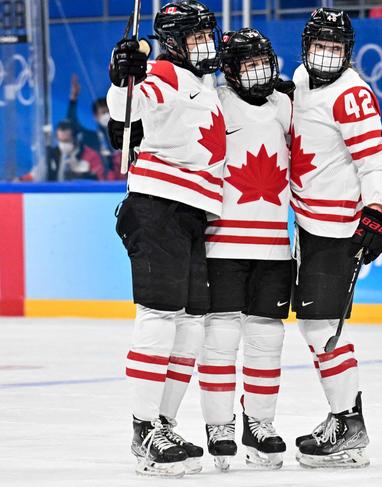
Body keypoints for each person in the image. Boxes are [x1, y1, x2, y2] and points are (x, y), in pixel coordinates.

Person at [106, 0, 224, 477]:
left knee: (192, 323)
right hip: (158, 207)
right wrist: (121, 77)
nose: (206, 46)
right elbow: (129, 104)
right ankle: (143, 429)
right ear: (173, 43)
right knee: (159, 316)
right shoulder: (165, 73)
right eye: (196, 38)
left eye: (207, 36)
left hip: (193, 215)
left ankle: (165, 422)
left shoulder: (204, 83)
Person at [290, 7, 382, 468]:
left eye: (336, 50)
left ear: (348, 54)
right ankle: (342, 417)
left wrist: (374, 211)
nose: (327, 57)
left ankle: (349, 424)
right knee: (316, 329)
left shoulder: (352, 94)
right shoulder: (298, 80)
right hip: (308, 226)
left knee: (321, 328)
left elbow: (374, 159)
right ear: (305, 49)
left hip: (338, 229)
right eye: (320, 48)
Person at [194, 27, 292, 471]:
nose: (259, 72)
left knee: (268, 338)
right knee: (221, 336)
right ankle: (219, 425)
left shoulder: (286, 105)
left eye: (263, 62)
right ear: (230, 71)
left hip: (275, 246)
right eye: (248, 64)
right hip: (223, 244)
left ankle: (261, 423)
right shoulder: (213, 100)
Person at [67, 74, 116, 174]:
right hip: (98, 180)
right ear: (95, 116)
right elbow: (72, 125)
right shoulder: (90, 137)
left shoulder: (122, 134)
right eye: (103, 113)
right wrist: (73, 100)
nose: (106, 116)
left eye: (108, 112)